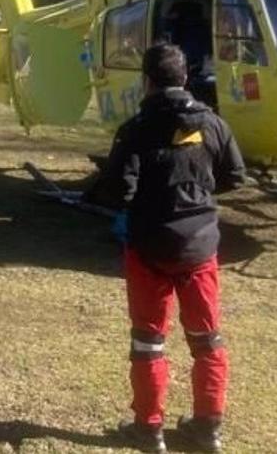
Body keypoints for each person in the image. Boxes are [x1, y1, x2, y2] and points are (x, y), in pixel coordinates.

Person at [108, 43, 247, 454]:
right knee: (208, 340)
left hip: (148, 246)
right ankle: (209, 429)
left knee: (148, 342)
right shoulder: (214, 123)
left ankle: (149, 430)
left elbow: (118, 189)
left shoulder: (134, 129)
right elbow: (235, 176)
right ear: (185, 77)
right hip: (200, 246)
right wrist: (199, 190)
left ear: (146, 81)